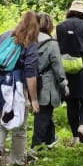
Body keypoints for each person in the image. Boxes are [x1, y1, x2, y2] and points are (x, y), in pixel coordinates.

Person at [0, 11, 37, 166]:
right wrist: (33, 99)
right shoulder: (30, 43)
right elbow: (30, 73)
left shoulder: (3, 36)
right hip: (16, 90)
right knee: (19, 127)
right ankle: (17, 162)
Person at [55, 0, 83, 143]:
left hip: (66, 69)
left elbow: (54, 47)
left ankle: (74, 137)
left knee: (71, 102)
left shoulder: (59, 26)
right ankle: (82, 125)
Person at [31, 12, 63, 150]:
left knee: (44, 115)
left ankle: (50, 141)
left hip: (30, 82)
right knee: (43, 115)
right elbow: (58, 67)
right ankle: (35, 146)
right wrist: (64, 84)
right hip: (47, 85)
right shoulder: (52, 44)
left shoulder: (29, 41)